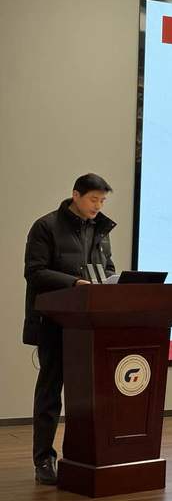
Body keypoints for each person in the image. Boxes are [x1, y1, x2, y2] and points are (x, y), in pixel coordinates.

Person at [23, 174, 116, 485]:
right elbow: (35, 272)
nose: (98, 206)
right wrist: (75, 283)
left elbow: (108, 268)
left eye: (102, 200)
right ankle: (43, 460)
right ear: (76, 195)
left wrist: (112, 282)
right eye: (93, 199)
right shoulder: (46, 226)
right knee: (50, 392)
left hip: (90, 326)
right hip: (54, 322)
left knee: (88, 394)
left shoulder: (101, 230)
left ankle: (81, 456)